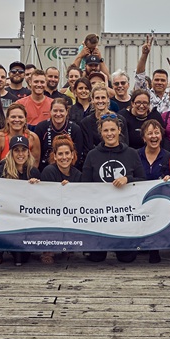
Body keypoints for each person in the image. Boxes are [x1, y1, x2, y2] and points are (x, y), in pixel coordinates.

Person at [81, 114, 146, 263]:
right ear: (101, 133)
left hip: (123, 212)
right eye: (106, 130)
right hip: (100, 213)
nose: (109, 134)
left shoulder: (131, 153)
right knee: (97, 258)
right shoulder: (92, 155)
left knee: (127, 259)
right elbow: (84, 185)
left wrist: (127, 179)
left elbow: (143, 181)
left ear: (119, 130)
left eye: (112, 129)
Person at [0, 135, 41, 266]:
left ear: (28, 152)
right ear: (11, 152)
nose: (20, 154)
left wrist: (35, 186)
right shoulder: (1, 170)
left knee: (23, 259)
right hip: (4, 213)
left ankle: (17, 250)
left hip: (24, 216)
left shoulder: (32, 171)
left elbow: (40, 198)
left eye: (23, 150)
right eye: (16, 150)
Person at [33, 98, 87, 169]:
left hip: (69, 170)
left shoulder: (75, 129)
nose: (58, 114)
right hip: (45, 170)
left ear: (67, 112)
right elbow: (36, 156)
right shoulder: (41, 128)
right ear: (50, 111)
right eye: (55, 111)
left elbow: (77, 156)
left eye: (61, 111)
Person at [0, 104, 41, 174]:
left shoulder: (33, 138)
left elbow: (34, 165)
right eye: (13, 117)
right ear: (7, 119)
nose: (17, 120)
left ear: (25, 120)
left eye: (20, 117)